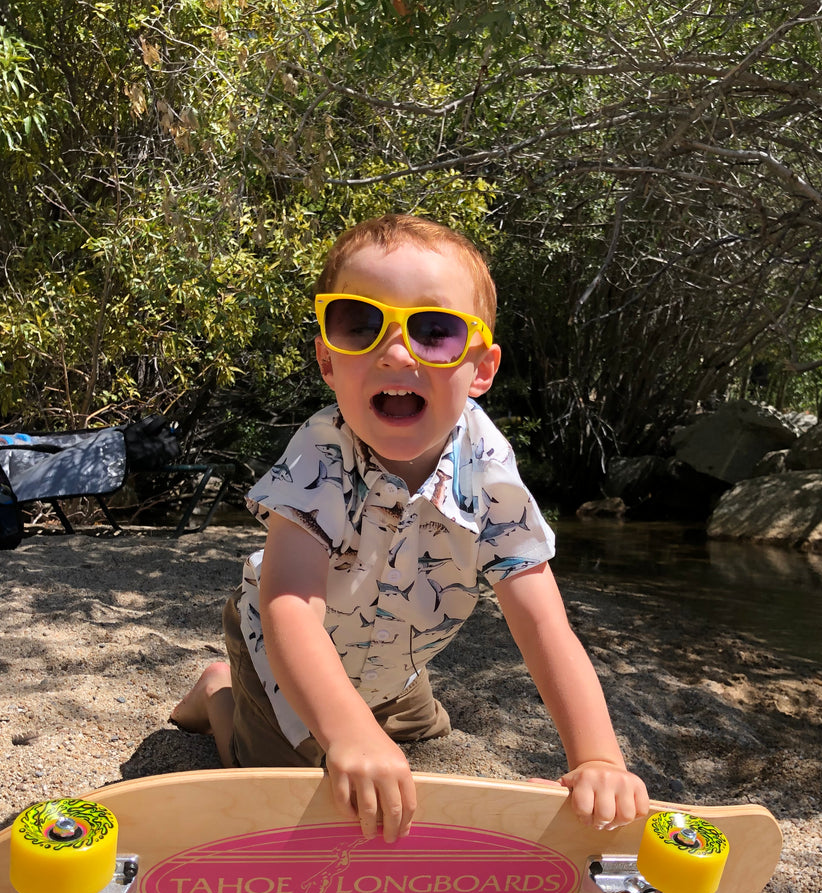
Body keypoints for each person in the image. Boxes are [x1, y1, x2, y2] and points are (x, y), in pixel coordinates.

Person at [172, 214, 649, 843]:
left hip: (394, 661)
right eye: (359, 325)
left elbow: (543, 622)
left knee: (421, 740)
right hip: (282, 656)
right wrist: (347, 732)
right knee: (280, 771)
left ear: (481, 368)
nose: (395, 351)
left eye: (434, 331)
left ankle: (374, 717)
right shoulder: (321, 453)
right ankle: (218, 695)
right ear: (326, 358)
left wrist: (597, 759)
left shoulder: (489, 469)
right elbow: (290, 607)